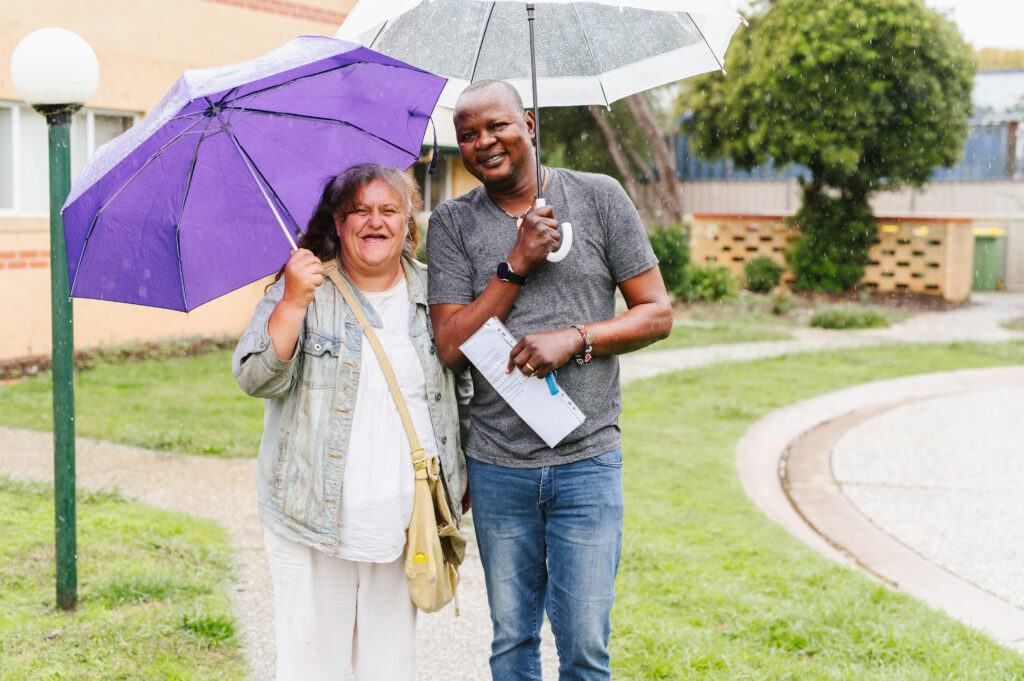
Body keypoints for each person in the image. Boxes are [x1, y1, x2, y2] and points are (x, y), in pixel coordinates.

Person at [426, 80, 673, 681]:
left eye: (497, 126)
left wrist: (577, 339)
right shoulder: (452, 224)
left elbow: (656, 313)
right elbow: (452, 345)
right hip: (497, 467)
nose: (484, 142)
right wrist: (517, 263)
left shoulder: (598, 197)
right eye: (468, 135)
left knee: (586, 647)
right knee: (512, 642)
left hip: (587, 462)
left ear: (530, 124)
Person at [233, 163, 468, 681]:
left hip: (405, 523)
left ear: (410, 224)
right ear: (338, 224)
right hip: (313, 519)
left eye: (389, 210)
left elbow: (466, 392)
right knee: (313, 665)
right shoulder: (306, 286)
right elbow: (254, 377)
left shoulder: (438, 294)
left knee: (390, 668)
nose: (374, 221)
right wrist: (293, 299)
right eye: (359, 210)